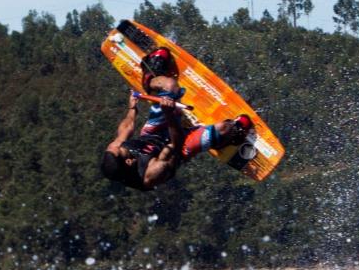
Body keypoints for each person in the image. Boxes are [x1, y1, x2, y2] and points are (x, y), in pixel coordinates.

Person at [99, 46, 252, 190]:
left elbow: (125, 129)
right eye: (120, 150)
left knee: (171, 86)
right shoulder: (151, 174)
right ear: (129, 161)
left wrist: (132, 108)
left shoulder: (113, 152)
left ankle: (150, 78)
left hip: (152, 134)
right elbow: (176, 144)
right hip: (179, 148)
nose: (117, 146)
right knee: (227, 128)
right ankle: (225, 140)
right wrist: (169, 114)